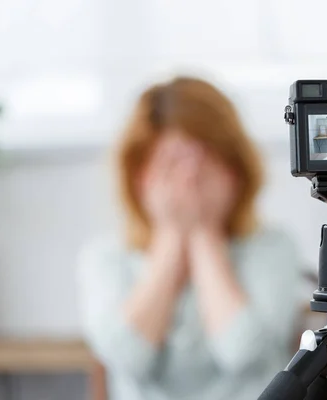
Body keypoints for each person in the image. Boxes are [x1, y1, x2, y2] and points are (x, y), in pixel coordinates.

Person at [76, 77, 302, 400]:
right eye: (171, 163)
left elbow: (244, 351)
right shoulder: (105, 257)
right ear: (139, 176)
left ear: (235, 171)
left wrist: (203, 234)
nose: (189, 179)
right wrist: (171, 237)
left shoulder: (273, 248)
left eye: (205, 161)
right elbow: (127, 355)